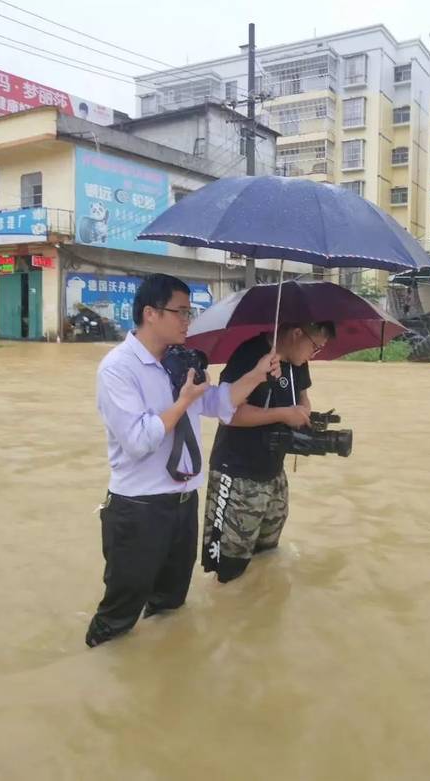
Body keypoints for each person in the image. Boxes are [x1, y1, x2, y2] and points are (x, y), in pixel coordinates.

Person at [85, 274, 280, 648]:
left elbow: (220, 402)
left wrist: (257, 373)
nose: (188, 320)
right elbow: (139, 441)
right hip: (139, 508)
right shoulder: (117, 368)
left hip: (183, 503)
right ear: (151, 313)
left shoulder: (183, 362)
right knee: (119, 616)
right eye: (181, 312)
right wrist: (183, 401)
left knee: (171, 606)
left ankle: (164, 680)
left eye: (190, 312)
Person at [202, 321, 335, 583]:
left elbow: (303, 399)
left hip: (273, 472)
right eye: (315, 347)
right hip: (238, 473)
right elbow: (229, 416)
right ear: (297, 332)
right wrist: (284, 414)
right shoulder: (249, 355)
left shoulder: (298, 363)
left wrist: (304, 414)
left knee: (266, 556)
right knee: (231, 566)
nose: (313, 354)